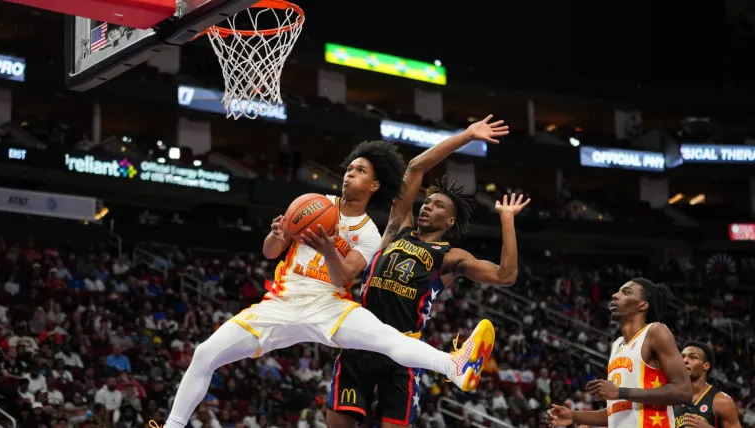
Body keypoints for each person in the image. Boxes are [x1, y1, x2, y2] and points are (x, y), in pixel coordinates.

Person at [158, 139, 498, 428]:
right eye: (350, 168)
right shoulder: (313, 205)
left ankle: (454, 365)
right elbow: (269, 251)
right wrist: (277, 235)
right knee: (204, 354)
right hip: (281, 303)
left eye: (361, 170)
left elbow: (344, 277)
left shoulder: (367, 231)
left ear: (374, 186)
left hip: (328, 306)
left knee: (387, 339)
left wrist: (328, 249)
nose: (351, 173)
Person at [326, 115, 526, 428]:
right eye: (427, 201)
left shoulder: (449, 256)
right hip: (359, 344)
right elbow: (416, 167)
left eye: (437, 205)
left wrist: (507, 219)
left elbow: (505, 276)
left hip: (403, 354)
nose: (427, 206)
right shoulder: (397, 228)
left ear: (449, 221)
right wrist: (467, 135)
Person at [548, 278, 693, 428]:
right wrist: (574, 416)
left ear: (642, 305)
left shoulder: (655, 331)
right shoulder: (617, 345)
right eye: (617, 291)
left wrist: (621, 392)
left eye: (626, 293)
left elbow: (684, 391)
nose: (615, 295)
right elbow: (616, 411)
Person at [673, 341, 740, 428]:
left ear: (706, 366)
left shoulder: (722, 401)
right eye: (682, 357)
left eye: (693, 357)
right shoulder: (671, 400)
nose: (685, 360)